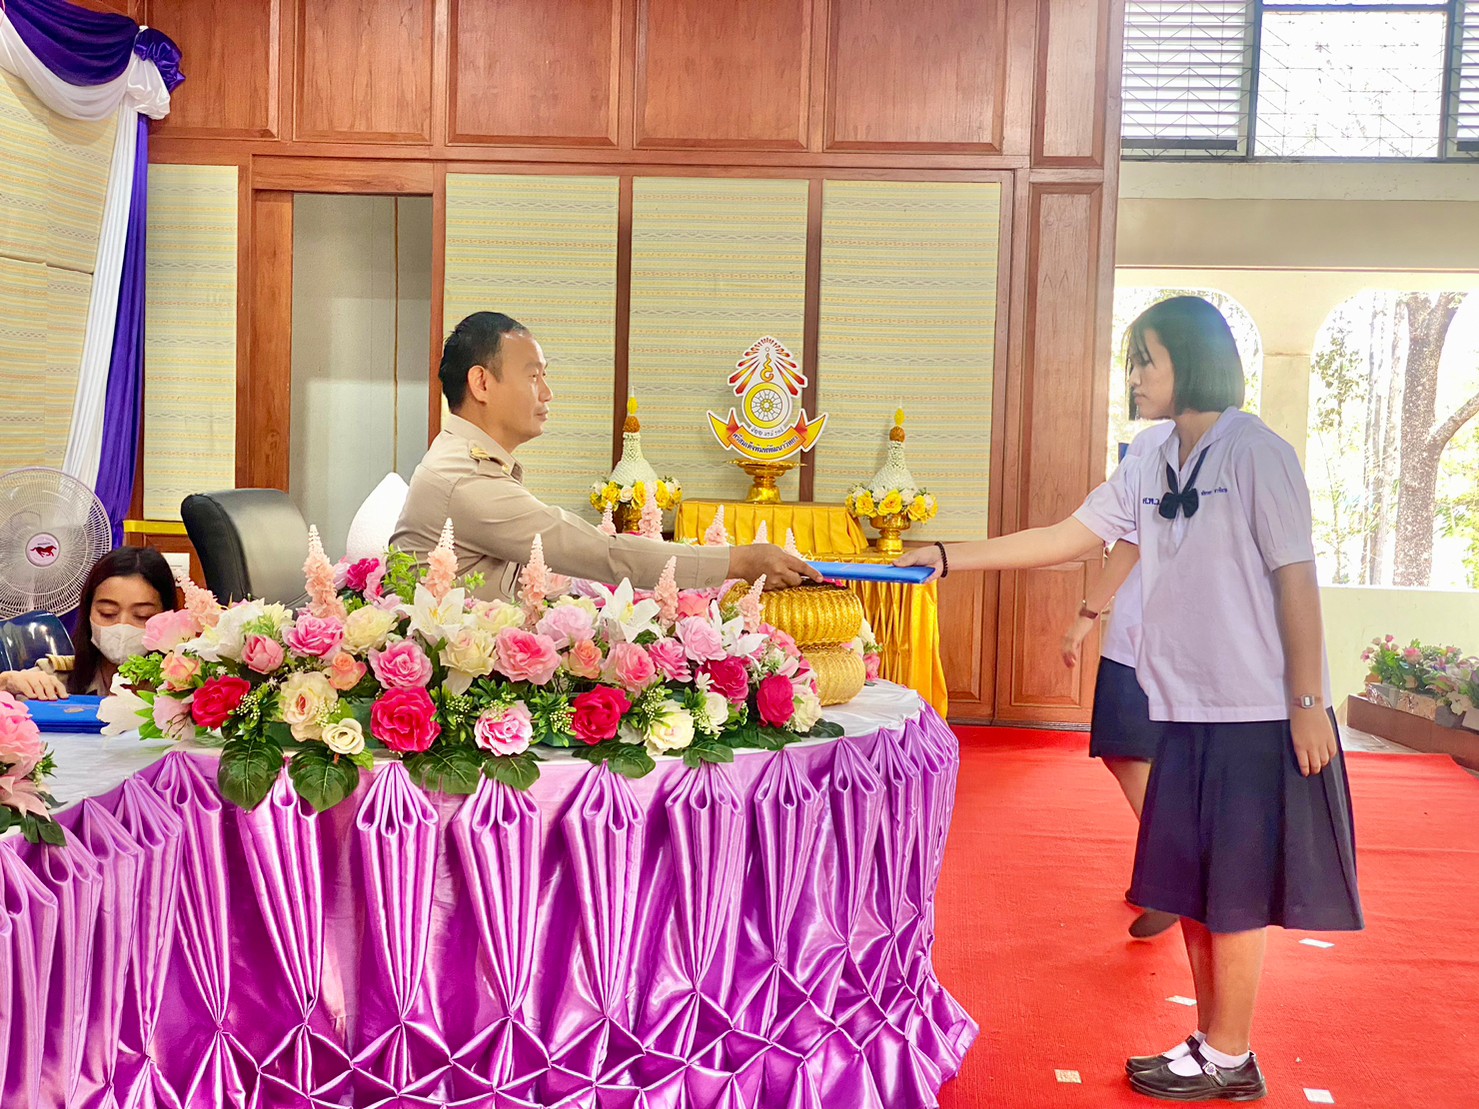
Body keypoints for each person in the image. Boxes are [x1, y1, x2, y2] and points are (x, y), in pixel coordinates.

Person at [900, 296, 1362, 1102]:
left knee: (1233, 889)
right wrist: (946, 555)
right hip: (1180, 703)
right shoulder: (1149, 455)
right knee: (1191, 885)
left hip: (1255, 710)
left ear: (1194, 359)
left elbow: (1295, 578)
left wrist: (1306, 699)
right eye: (1132, 361)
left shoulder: (1257, 452)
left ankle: (1230, 1053)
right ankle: (1213, 1044)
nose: (1135, 376)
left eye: (1146, 359)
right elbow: (1066, 536)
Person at [394, 311, 819, 598]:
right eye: (533, 376)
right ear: (482, 384)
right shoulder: (464, 478)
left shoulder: (467, 461)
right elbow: (603, 554)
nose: (547, 393)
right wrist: (738, 560)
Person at [1060, 421, 1179, 940]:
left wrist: (1086, 616)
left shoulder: (1223, 446)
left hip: (1162, 632)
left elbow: (1129, 542)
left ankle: (1177, 873)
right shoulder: (1156, 443)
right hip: (1146, 627)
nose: (1136, 384)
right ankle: (1168, 872)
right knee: (1132, 749)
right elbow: (1130, 538)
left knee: (1130, 750)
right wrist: (1087, 616)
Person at [0, 546, 178, 700]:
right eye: (107, 613)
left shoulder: (183, 686)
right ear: (88, 612)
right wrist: (7, 683)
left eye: (142, 616)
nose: (122, 626)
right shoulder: (60, 677)